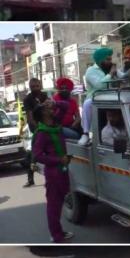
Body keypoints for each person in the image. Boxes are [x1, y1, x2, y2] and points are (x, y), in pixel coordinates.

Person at [31, 100, 73, 243]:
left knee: (59, 203)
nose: (50, 108)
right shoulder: (42, 133)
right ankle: (56, 236)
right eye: (46, 107)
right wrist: (57, 160)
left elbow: (66, 106)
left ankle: (59, 231)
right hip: (54, 173)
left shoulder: (55, 124)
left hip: (63, 170)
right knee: (54, 206)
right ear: (43, 113)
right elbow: (37, 155)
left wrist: (54, 102)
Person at [78, 47, 121, 146]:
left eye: (110, 59)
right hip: (96, 98)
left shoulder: (109, 68)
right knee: (87, 103)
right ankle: (85, 133)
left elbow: (122, 77)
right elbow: (99, 85)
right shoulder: (90, 71)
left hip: (110, 98)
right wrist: (110, 74)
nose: (110, 62)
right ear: (100, 60)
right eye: (108, 59)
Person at [22, 78, 48, 187]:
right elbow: (30, 116)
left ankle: (49, 178)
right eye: (33, 87)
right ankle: (30, 179)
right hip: (36, 127)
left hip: (47, 125)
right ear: (30, 88)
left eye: (37, 86)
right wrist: (37, 129)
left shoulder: (44, 96)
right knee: (34, 153)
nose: (36, 88)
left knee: (48, 152)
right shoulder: (28, 99)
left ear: (40, 85)